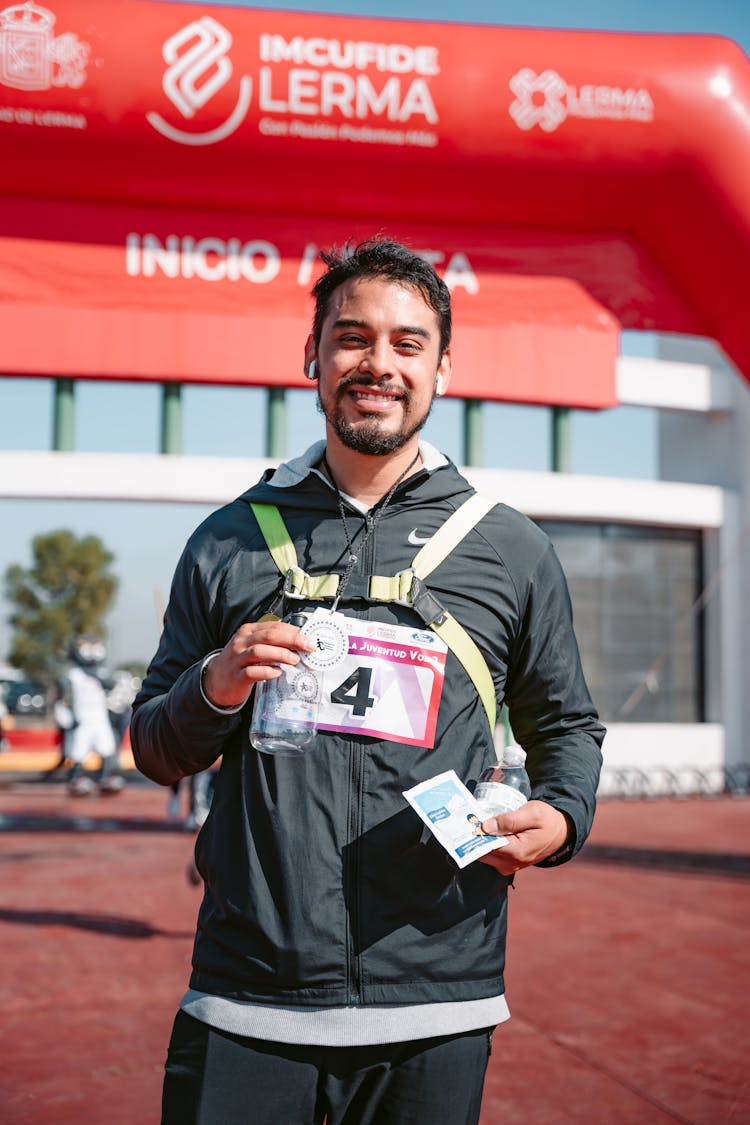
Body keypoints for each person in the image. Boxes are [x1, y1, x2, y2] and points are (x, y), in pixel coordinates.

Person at [131, 237, 605, 1125]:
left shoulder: (511, 547)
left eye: (407, 343)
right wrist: (218, 684)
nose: (377, 364)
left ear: (443, 368)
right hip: (248, 995)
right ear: (311, 355)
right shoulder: (228, 540)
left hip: (438, 997)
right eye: (352, 338)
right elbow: (155, 744)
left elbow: (568, 725)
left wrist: (564, 814)